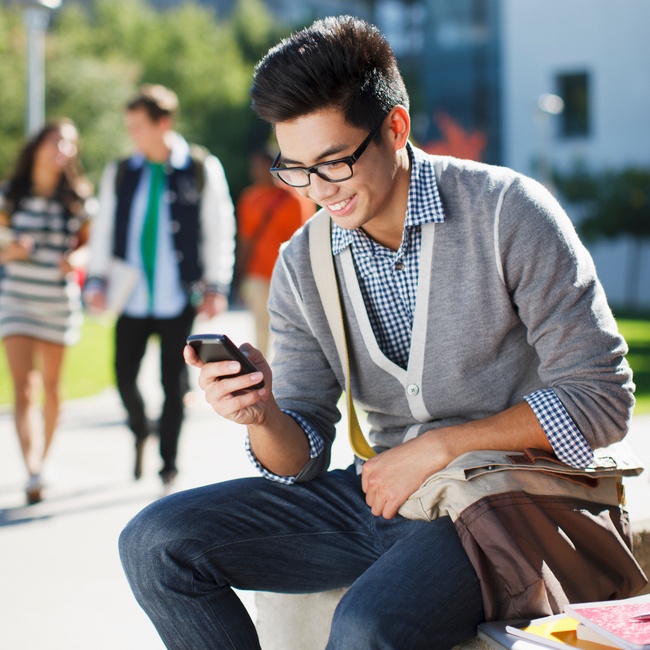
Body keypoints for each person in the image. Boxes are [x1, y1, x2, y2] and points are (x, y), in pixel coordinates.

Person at [118, 17, 636, 648]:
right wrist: (262, 415)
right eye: (296, 168)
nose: (317, 191)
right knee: (155, 543)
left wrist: (440, 447)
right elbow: (301, 451)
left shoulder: (509, 212)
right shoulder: (303, 261)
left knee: (368, 626)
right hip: (384, 498)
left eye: (334, 163)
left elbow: (600, 398)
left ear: (396, 127)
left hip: (510, 501)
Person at [84, 84, 235, 489]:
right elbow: (102, 229)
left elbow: (219, 229)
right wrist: (95, 278)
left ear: (163, 123)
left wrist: (217, 284)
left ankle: (168, 463)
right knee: (123, 376)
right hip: (130, 295)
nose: (132, 133)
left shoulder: (200, 167)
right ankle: (140, 430)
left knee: (174, 385)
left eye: (138, 125)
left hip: (177, 296)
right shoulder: (121, 171)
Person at [0, 119, 93, 505]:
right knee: (24, 389)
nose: (63, 148)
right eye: (57, 140)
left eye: (70, 143)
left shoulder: (78, 198)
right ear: (39, 145)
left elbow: (90, 246)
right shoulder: (10, 195)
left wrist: (76, 259)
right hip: (17, 298)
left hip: (57, 300)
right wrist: (12, 251)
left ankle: (46, 458)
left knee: (52, 387)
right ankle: (33, 468)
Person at [235, 146, 314, 356]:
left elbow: (303, 241)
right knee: (261, 327)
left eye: (260, 166)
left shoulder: (295, 199)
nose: (255, 171)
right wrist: (239, 275)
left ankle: (285, 374)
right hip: (257, 275)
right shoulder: (248, 199)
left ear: (274, 168)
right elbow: (244, 241)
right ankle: (261, 374)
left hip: (286, 275)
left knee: (289, 328)